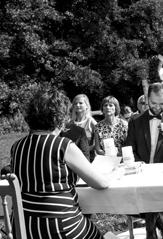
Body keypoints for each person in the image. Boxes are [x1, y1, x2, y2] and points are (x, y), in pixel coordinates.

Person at [9, 87, 124, 239]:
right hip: (60, 227)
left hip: (23, 227)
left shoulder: (17, 146)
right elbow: (100, 183)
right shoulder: (63, 145)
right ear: (60, 117)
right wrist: (117, 172)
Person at [125, 82, 163, 239]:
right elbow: (130, 149)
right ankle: (158, 227)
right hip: (140, 177)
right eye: (153, 103)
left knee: (153, 197)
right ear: (146, 99)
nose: (158, 107)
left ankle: (150, 231)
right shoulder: (135, 122)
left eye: (162, 103)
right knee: (149, 198)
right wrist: (141, 168)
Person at [70, 94, 97, 162]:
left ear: (87, 105)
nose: (78, 105)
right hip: (72, 160)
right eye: (75, 103)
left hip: (88, 160)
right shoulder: (69, 123)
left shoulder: (91, 122)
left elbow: (98, 144)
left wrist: (84, 150)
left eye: (80, 103)